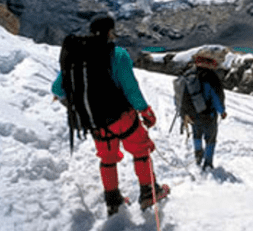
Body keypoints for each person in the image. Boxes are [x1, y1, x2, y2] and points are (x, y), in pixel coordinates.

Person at [51, 15, 168, 216]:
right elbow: (131, 89)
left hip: (96, 121)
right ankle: (149, 192)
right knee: (140, 151)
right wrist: (145, 111)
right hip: (121, 117)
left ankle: (113, 200)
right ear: (110, 31)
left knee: (107, 158)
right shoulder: (117, 54)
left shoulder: (77, 56)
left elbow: (57, 88)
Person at [175, 51, 227, 171]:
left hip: (192, 115)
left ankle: (198, 156)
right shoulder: (211, 78)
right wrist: (222, 111)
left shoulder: (188, 75)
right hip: (208, 115)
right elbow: (216, 98)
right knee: (210, 139)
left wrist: (184, 113)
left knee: (196, 135)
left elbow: (180, 95)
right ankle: (207, 164)